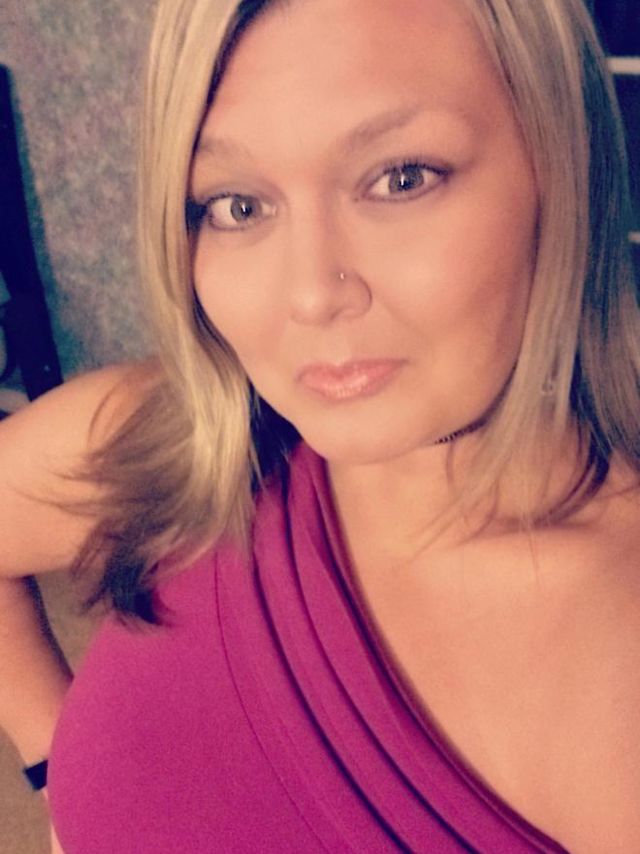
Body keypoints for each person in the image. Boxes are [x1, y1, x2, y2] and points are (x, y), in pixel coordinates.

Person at [1, 0, 639, 850]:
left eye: (402, 178)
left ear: (565, 170)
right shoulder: (173, 442)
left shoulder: (616, 649)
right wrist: (54, 764)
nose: (310, 293)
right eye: (238, 205)